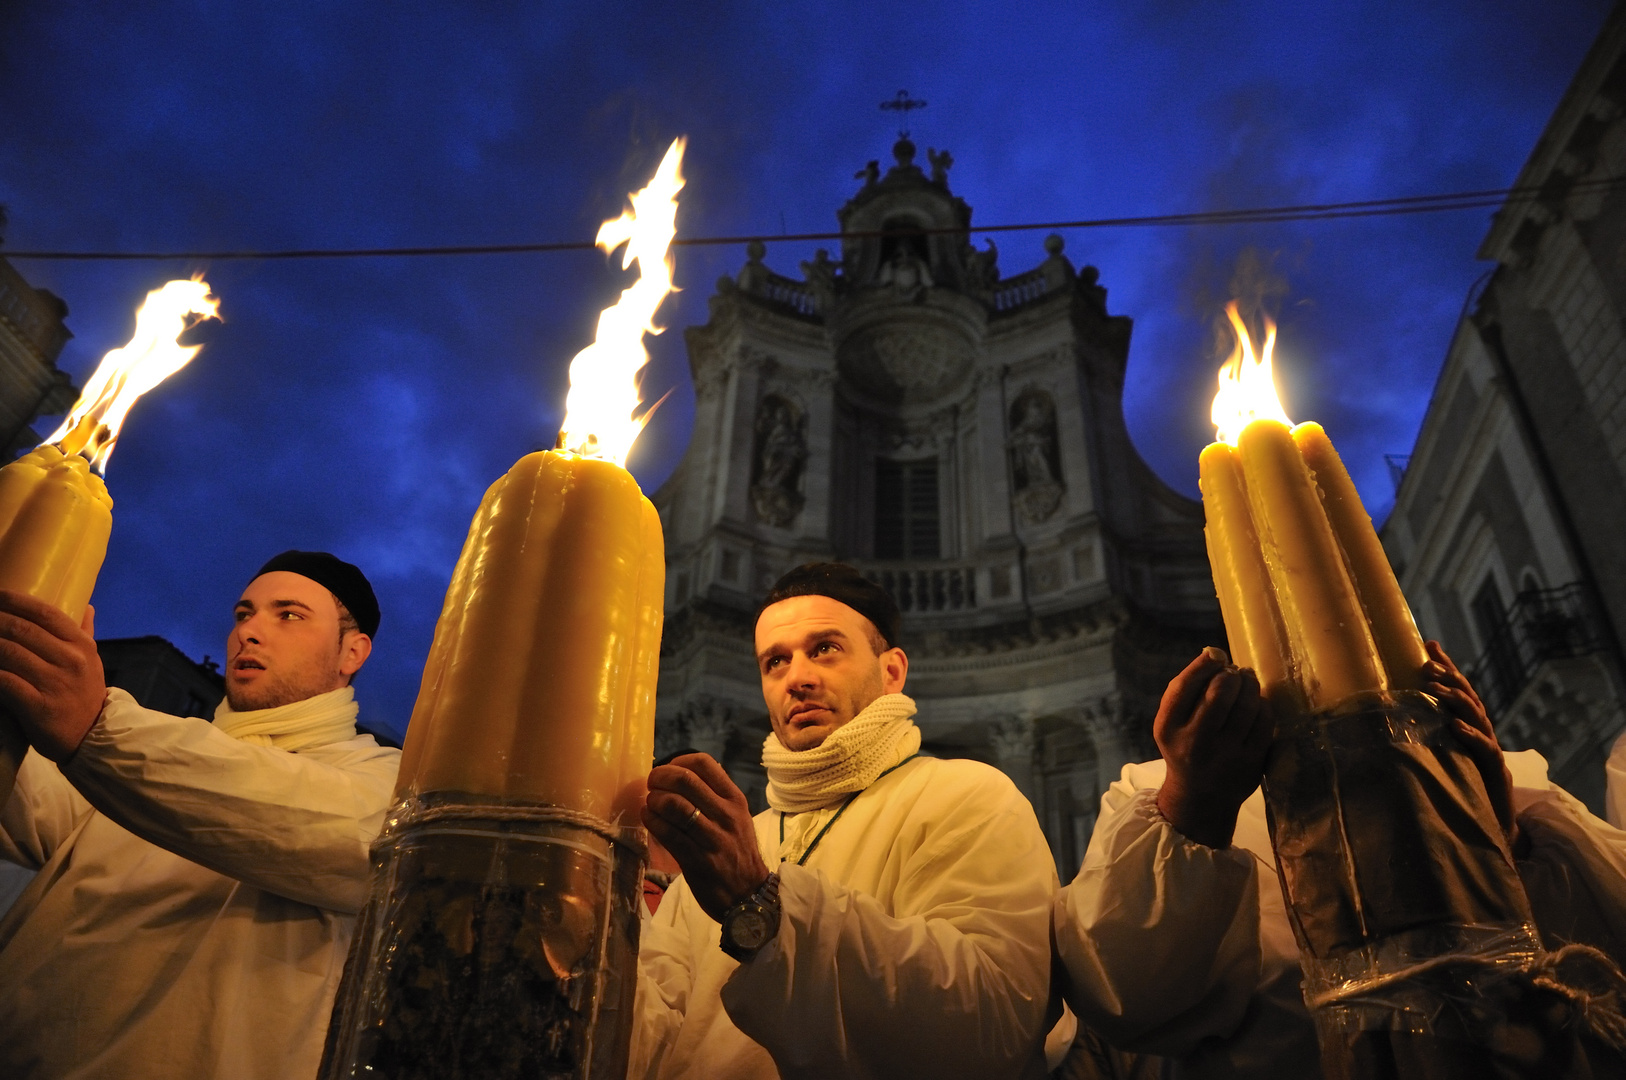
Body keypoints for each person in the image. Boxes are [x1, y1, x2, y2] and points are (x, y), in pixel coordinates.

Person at [1053, 643, 1626, 1079]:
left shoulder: (1499, 770)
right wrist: (1193, 807)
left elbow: (1609, 950)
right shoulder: (1150, 799)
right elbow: (1123, 997)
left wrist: (1508, 836)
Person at [631, 562, 1058, 1080]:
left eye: (825, 649)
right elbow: (645, 1052)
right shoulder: (739, 843)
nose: (798, 678)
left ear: (891, 671)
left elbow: (993, 1022)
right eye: (775, 662)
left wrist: (760, 904)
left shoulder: (969, 795)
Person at [0, 550, 400, 1080]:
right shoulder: (134, 767)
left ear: (352, 651)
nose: (249, 632)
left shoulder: (387, 781)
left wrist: (95, 725)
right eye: (243, 614)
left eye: (289, 615)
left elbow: (337, 833)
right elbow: (24, 797)